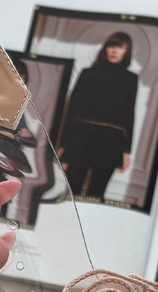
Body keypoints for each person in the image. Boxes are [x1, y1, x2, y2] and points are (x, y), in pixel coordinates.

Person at [59, 31, 137, 200]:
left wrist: (126, 151)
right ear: (105, 48)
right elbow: (72, 112)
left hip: (112, 141)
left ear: (127, 51)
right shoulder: (88, 74)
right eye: (112, 46)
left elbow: (129, 116)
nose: (115, 50)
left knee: (97, 193)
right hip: (83, 137)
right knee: (72, 191)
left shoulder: (131, 79)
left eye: (120, 47)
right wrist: (65, 146)